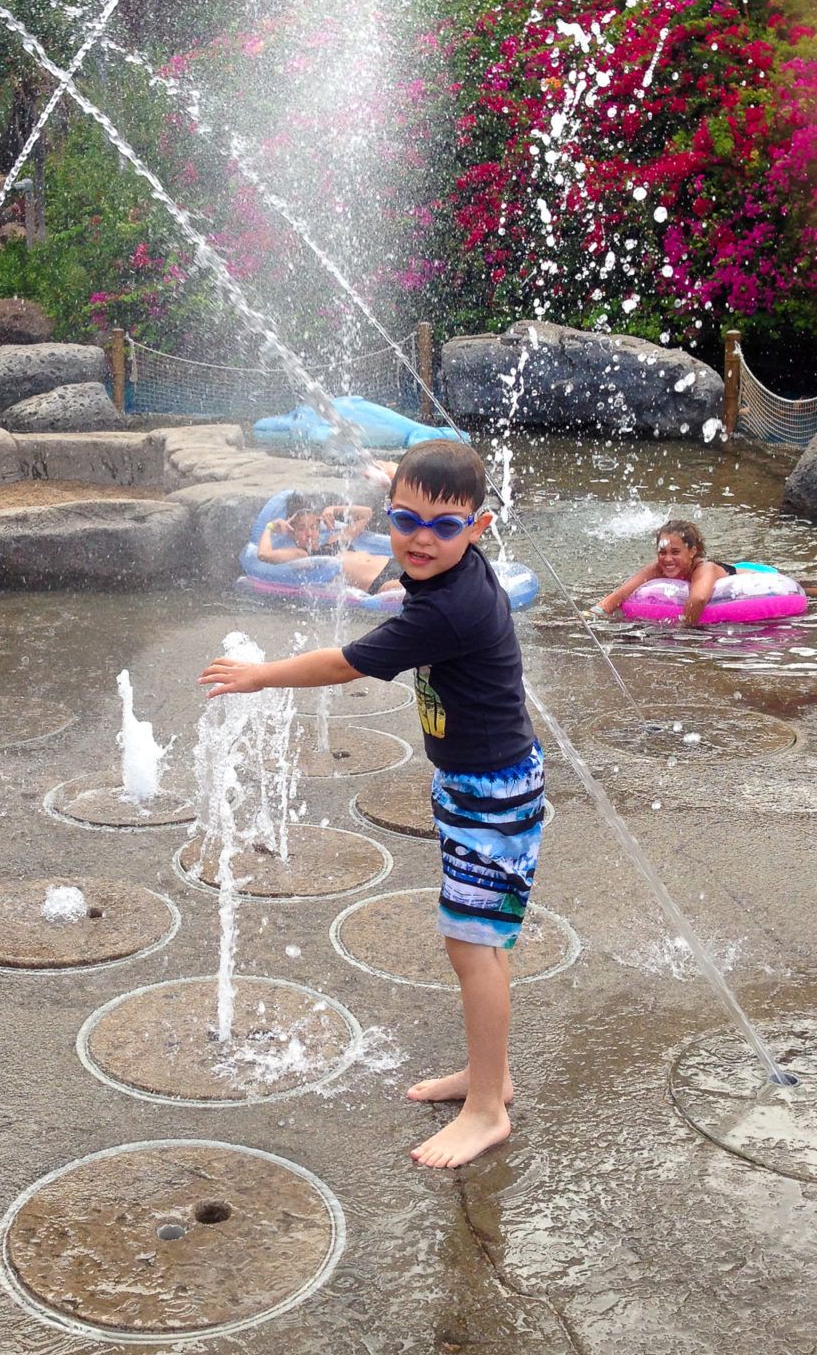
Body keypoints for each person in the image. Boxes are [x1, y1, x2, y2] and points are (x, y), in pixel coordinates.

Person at [204, 438, 543, 1169]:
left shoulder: (448, 611)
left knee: (472, 947)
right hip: (480, 783)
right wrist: (382, 516)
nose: (421, 539)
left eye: (443, 527)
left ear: (477, 531)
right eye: (405, 519)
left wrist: (261, 676)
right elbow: (392, 562)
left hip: (493, 796)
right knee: (476, 942)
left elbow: (345, 663)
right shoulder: (450, 577)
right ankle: (492, 1077)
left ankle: (487, 1111)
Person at [592, 519, 737, 628]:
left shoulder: (705, 568)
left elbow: (698, 599)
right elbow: (621, 594)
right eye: (662, 552)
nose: (667, 559)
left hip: (738, 575)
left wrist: (680, 629)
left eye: (675, 552)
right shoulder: (658, 568)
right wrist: (592, 615)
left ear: (692, 551)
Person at [256, 492, 404, 595]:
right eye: (302, 529)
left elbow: (366, 514)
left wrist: (333, 509)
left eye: (313, 527)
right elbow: (264, 554)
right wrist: (270, 527)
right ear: (291, 532)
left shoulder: (334, 541)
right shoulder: (303, 554)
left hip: (394, 563)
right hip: (380, 582)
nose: (309, 534)